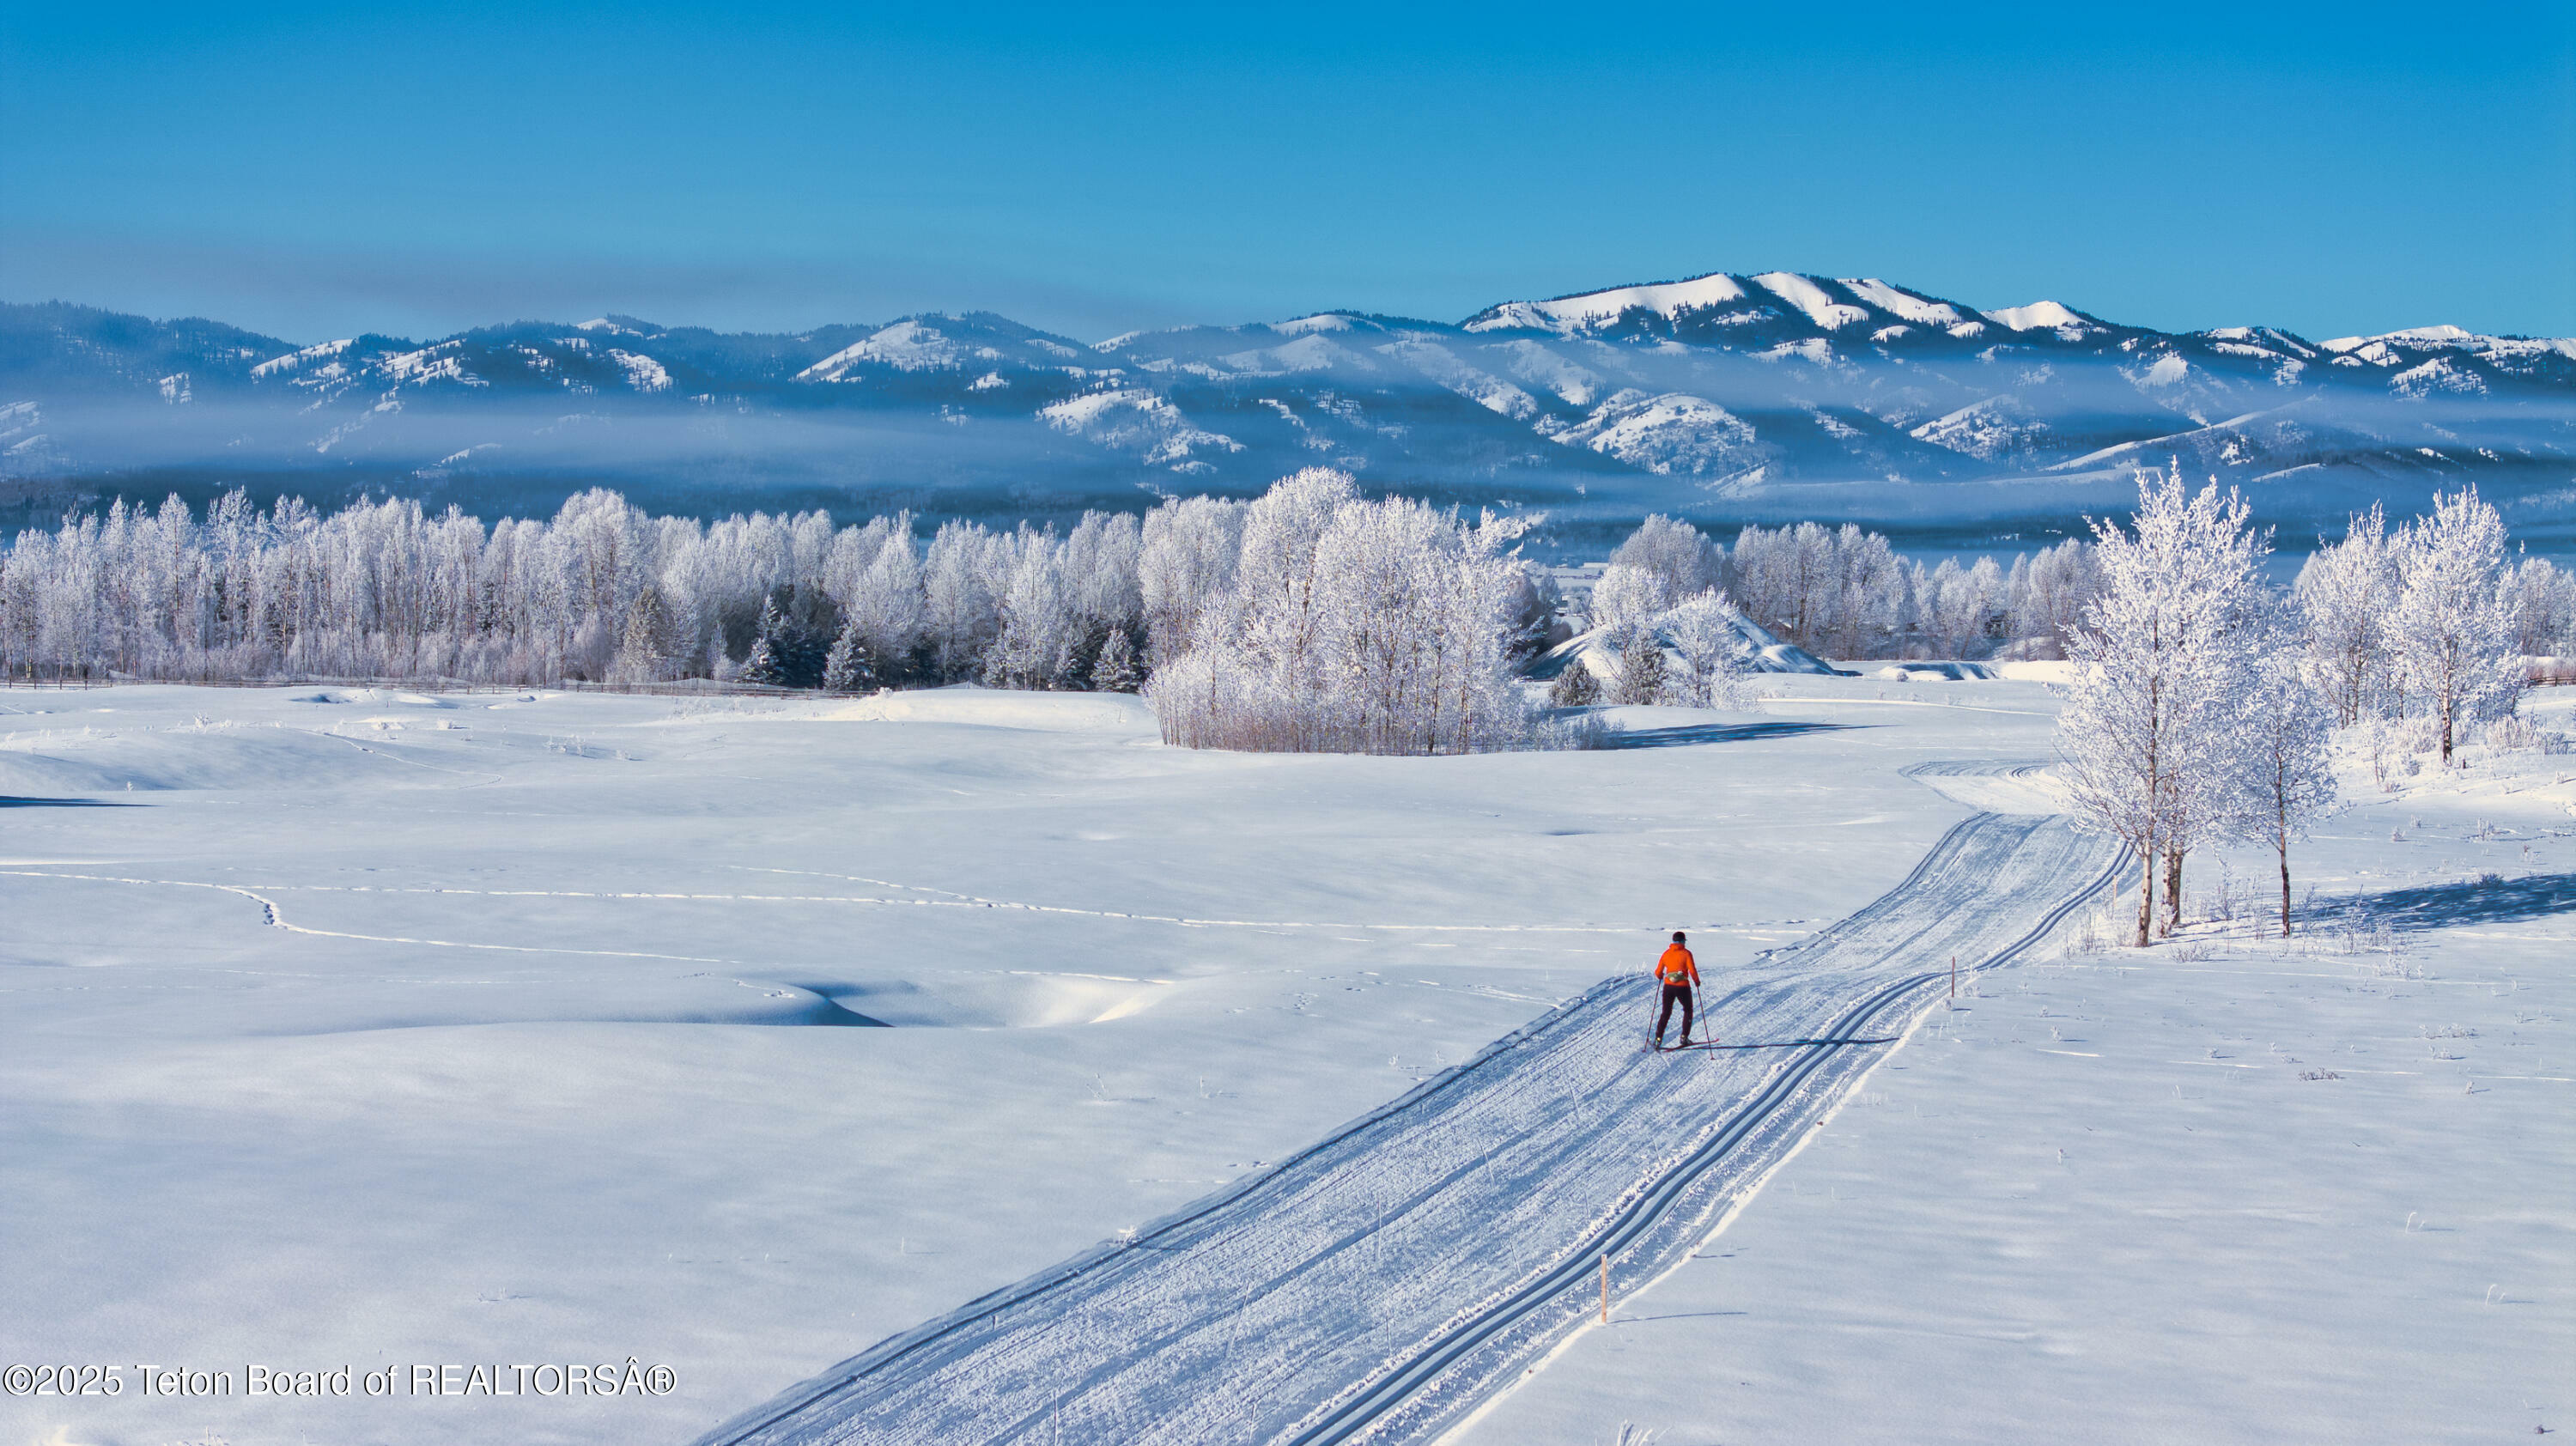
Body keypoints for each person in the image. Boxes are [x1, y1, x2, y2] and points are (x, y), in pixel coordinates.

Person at [1653, 931, 1700, 1048]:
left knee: (1666, 1012)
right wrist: (1697, 981)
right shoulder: (1687, 953)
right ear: (1683, 941)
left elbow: (1658, 972)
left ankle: (1658, 1039)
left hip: (1669, 986)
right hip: (1683, 987)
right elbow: (1692, 970)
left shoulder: (1666, 954)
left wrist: (1660, 976)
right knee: (1688, 1010)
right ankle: (1684, 1037)